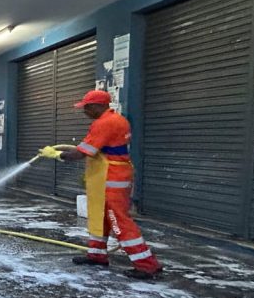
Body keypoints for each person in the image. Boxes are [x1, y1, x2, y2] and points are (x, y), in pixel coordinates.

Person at [39, 90, 163, 280]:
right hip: (109, 176)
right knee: (100, 216)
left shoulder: (105, 123)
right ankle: (97, 255)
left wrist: (56, 155)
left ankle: (147, 265)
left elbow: (81, 153)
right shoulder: (115, 120)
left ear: (97, 106)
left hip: (111, 179)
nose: (85, 111)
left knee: (118, 221)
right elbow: (94, 148)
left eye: (87, 107)